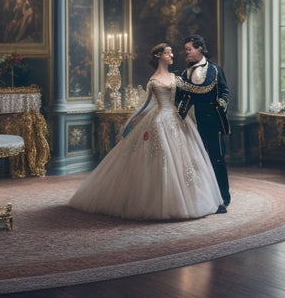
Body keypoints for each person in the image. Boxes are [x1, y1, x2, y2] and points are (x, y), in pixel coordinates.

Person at [69, 43, 226, 219]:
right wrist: (129, 121)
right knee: (162, 158)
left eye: (171, 52)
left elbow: (192, 93)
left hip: (177, 119)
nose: (172, 55)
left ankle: (193, 200)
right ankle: (162, 202)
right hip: (159, 120)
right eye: (168, 53)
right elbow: (145, 105)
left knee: (187, 160)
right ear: (160, 56)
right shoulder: (153, 80)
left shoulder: (176, 77)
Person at [176, 34, 231, 206]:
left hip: (213, 121)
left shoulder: (215, 70)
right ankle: (204, 199)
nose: (187, 53)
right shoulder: (186, 73)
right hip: (194, 122)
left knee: (217, 159)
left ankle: (223, 198)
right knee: (199, 161)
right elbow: (179, 97)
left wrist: (221, 104)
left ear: (199, 48)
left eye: (189, 49)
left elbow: (224, 91)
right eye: (185, 50)